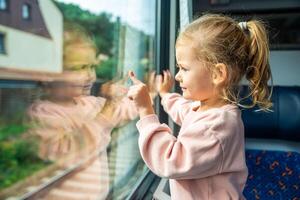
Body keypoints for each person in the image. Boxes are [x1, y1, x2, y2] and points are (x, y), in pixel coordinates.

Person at [127, 13, 272, 200]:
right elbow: (183, 108)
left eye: (184, 68)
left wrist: (146, 111)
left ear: (218, 74)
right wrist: (164, 94)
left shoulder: (216, 126)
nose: (178, 76)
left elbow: (169, 161)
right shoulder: (206, 109)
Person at [27, 24, 156, 199]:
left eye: (92, 67)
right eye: (79, 68)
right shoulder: (43, 114)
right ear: (47, 72)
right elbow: (69, 153)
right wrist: (106, 111)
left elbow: (121, 111)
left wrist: (147, 95)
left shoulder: (89, 103)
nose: (91, 76)